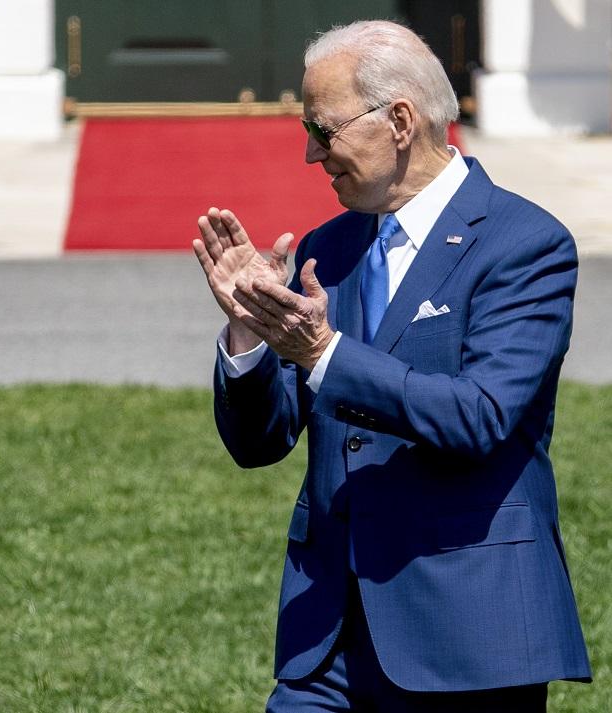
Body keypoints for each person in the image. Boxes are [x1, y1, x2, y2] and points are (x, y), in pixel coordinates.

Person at [192, 20, 590, 712]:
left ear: (400, 120)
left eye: (324, 128)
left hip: (467, 638)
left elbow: (479, 416)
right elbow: (260, 443)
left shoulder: (525, 244)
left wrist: (323, 353)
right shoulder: (330, 246)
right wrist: (248, 331)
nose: (312, 155)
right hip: (327, 645)